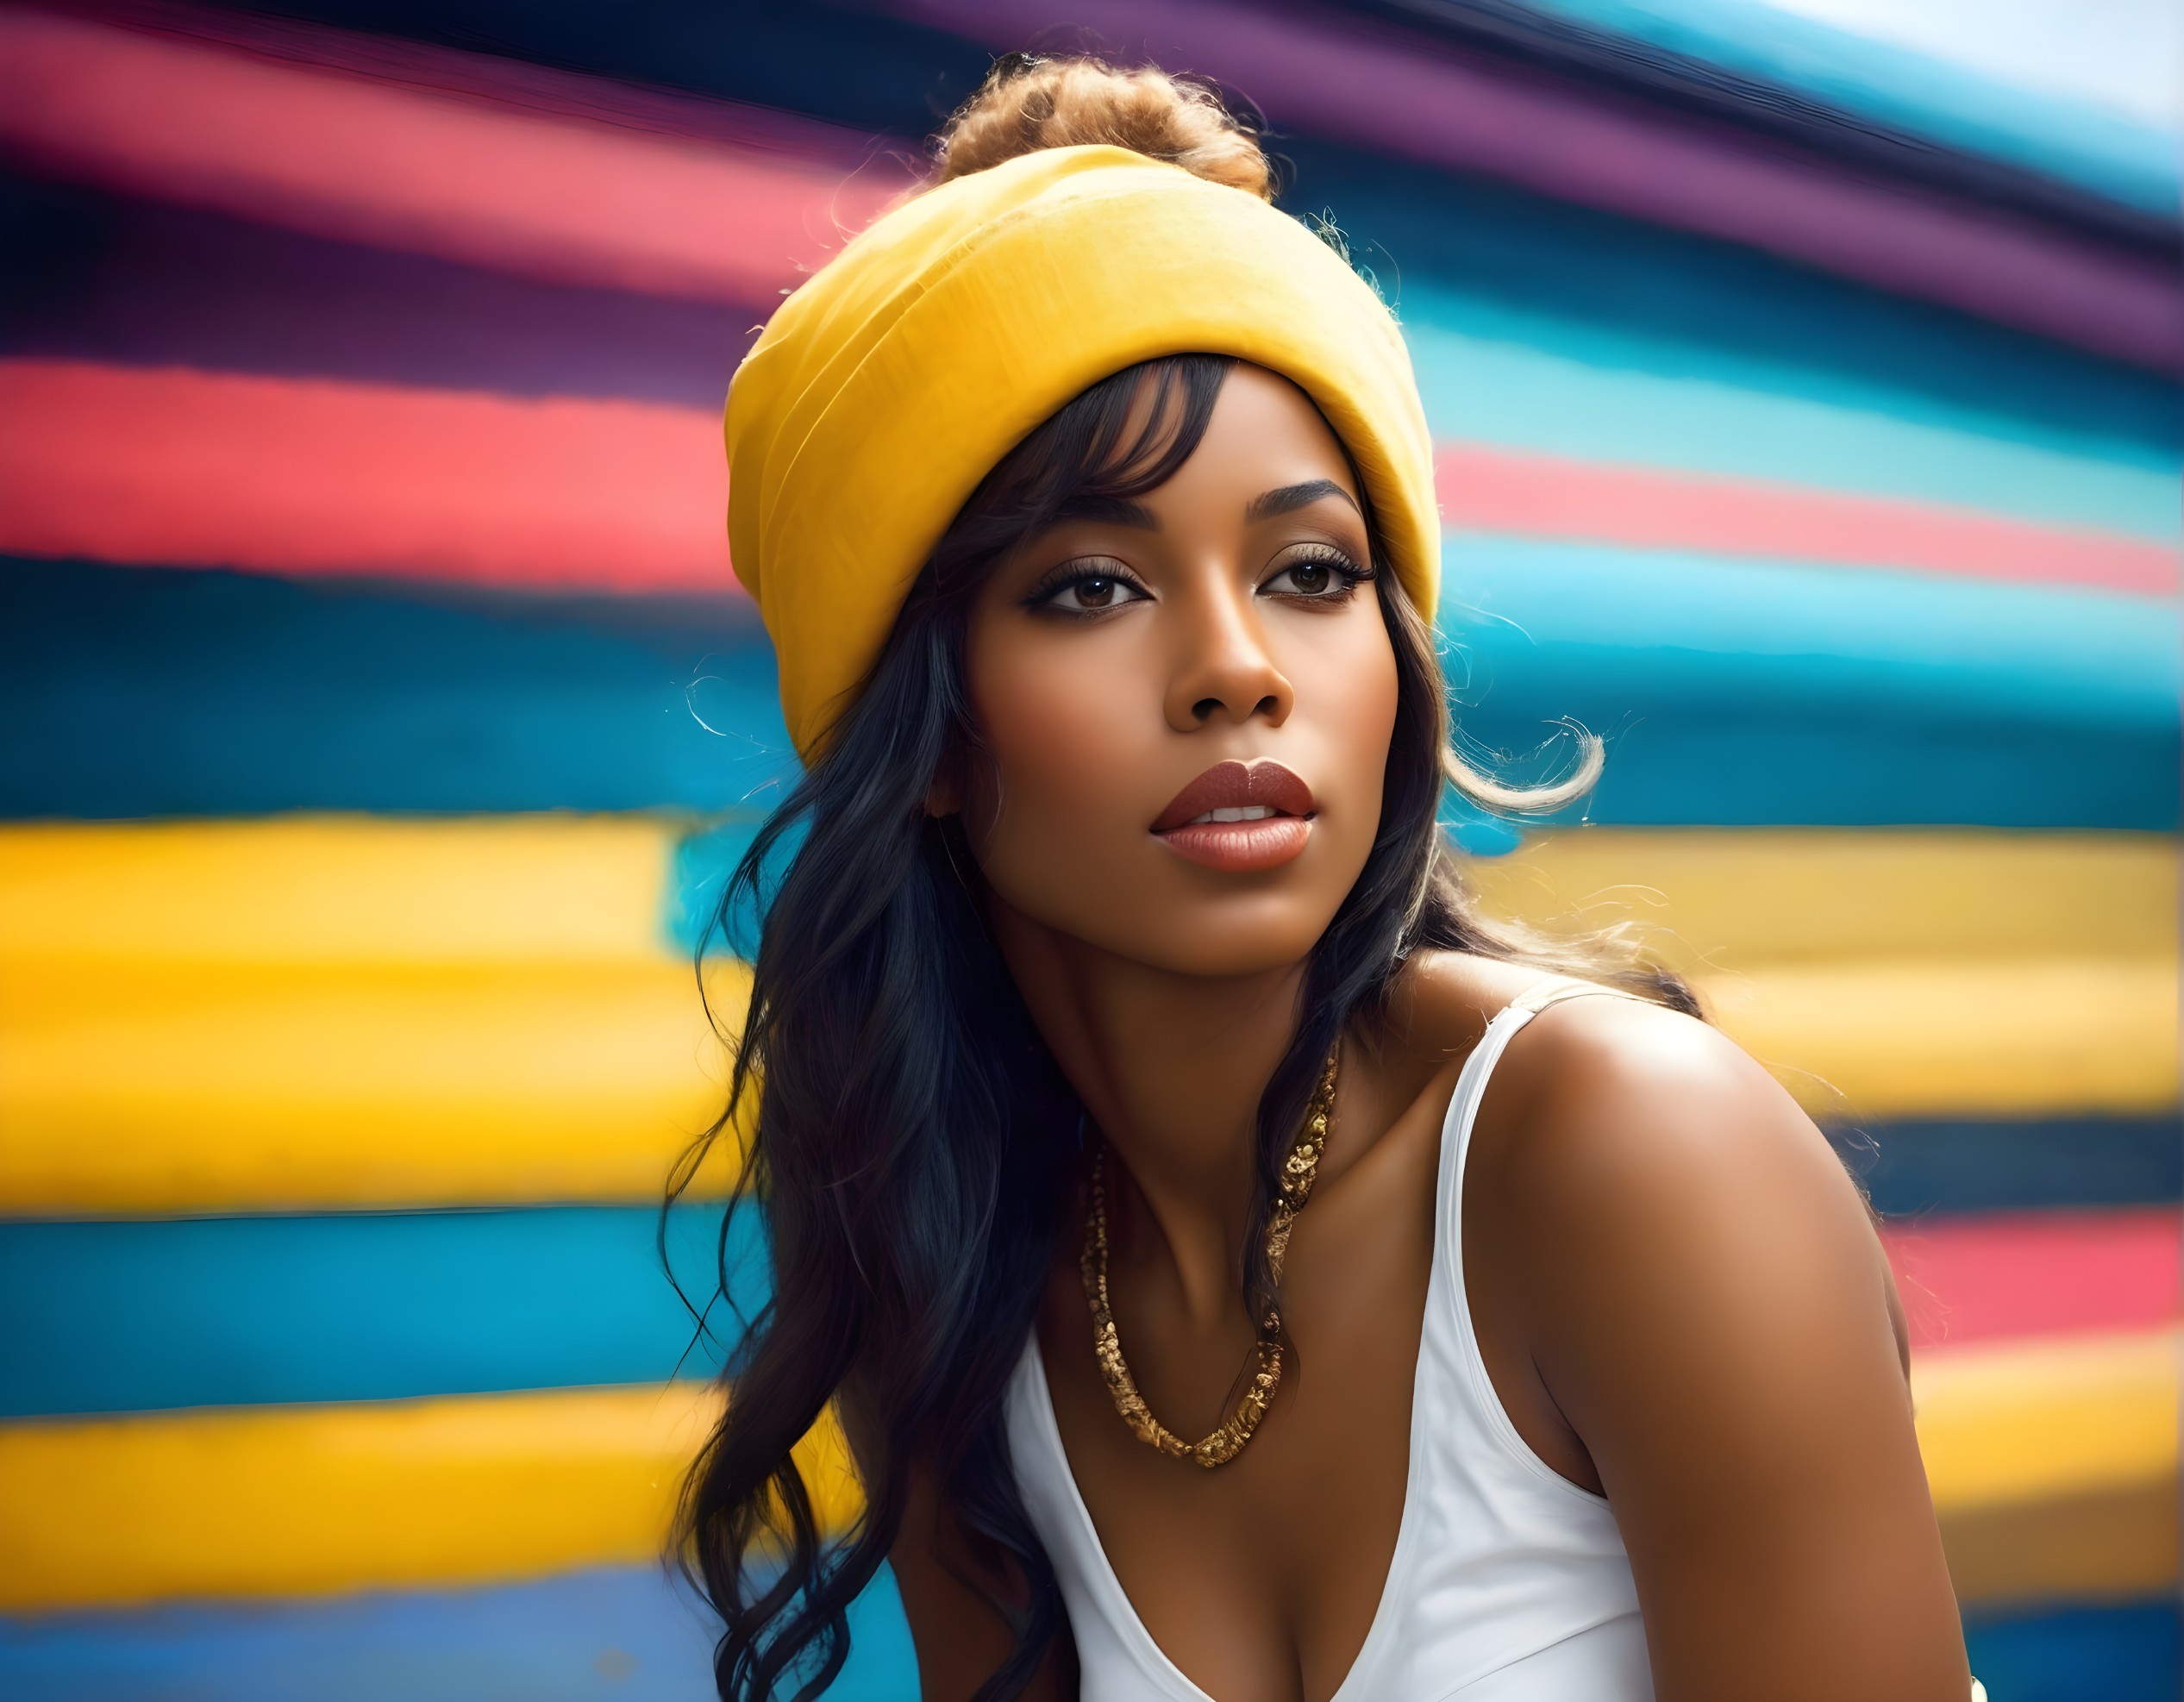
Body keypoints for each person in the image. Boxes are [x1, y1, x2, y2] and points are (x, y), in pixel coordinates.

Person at [675, 53, 1969, 1702]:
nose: (1236, 669)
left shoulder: (1632, 1156)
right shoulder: (951, 1282)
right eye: (1090, 586)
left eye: (1308, 570)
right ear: (919, 730)